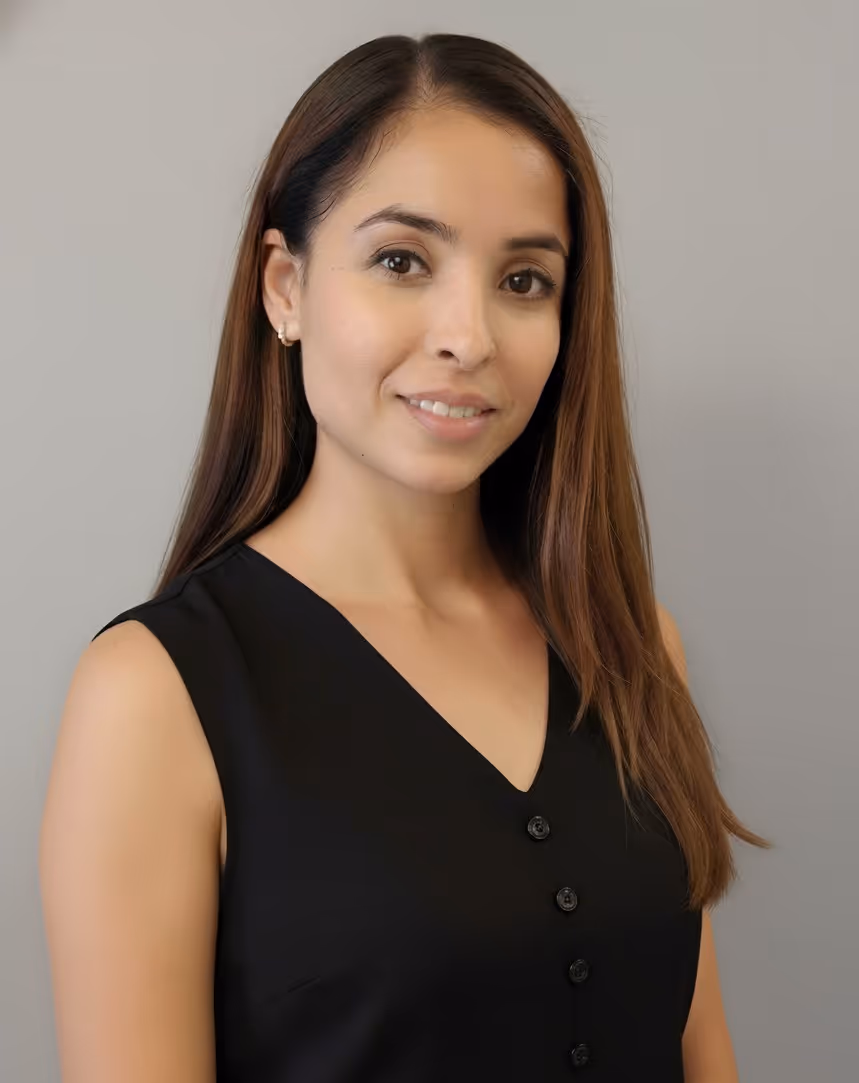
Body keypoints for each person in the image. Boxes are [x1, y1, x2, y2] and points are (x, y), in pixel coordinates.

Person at [39, 32, 769, 1083]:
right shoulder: (155, 696)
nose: (468, 334)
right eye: (401, 261)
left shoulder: (632, 646)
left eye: (525, 279)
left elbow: (701, 1050)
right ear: (284, 288)